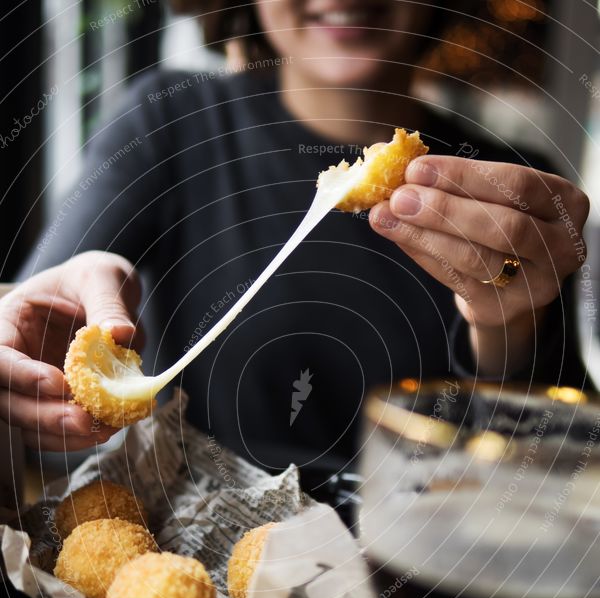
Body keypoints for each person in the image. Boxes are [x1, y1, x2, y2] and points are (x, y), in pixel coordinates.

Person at [0, 1, 590, 475]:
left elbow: (552, 464)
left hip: (415, 582)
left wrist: (508, 322)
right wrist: (44, 316)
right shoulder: (172, 119)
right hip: (189, 548)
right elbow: (31, 320)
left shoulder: (514, 187)